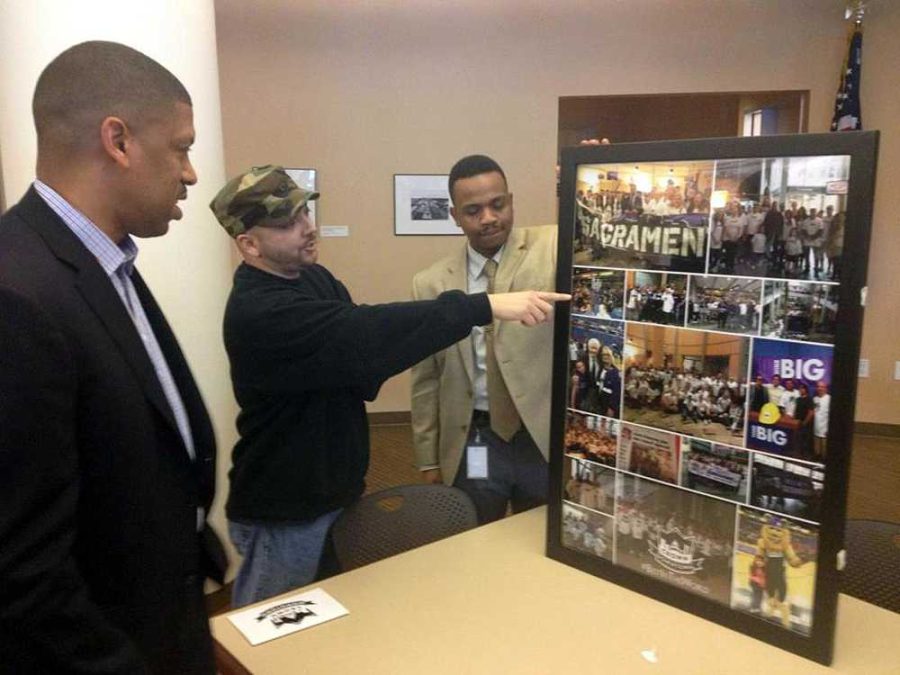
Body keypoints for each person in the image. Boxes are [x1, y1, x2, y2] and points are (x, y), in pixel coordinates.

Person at [209, 164, 567, 607]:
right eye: (287, 223)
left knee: (330, 612)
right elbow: (365, 336)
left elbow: (362, 360)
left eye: (305, 213)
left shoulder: (310, 278)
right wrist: (484, 306)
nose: (307, 229)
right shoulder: (259, 313)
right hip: (287, 510)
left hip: (334, 490)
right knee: (275, 622)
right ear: (248, 244)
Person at [0, 42, 225, 674]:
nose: (190, 173)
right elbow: (21, 570)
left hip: (160, 620)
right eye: (181, 147)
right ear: (118, 141)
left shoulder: (107, 264)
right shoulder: (18, 292)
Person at [411, 154, 558, 524]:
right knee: (472, 537)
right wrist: (428, 456)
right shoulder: (430, 283)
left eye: (498, 204)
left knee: (542, 541)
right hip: (475, 439)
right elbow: (426, 378)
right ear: (455, 216)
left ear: (511, 200)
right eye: (473, 210)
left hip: (539, 437)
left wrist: (591, 172)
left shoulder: (553, 247)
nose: (489, 218)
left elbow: (600, 240)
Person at [813, 381, 831, 460]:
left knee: (825, 452)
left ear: (826, 389)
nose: (820, 388)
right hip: (816, 429)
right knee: (817, 451)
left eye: (822, 387)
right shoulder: (815, 399)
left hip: (825, 430)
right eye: (818, 386)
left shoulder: (829, 399)